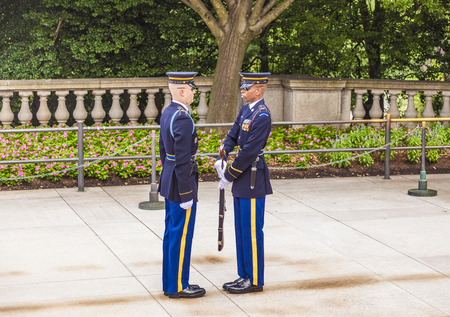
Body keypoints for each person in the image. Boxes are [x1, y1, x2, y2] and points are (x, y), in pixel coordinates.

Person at [215, 72, 273, 294]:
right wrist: (222, 153)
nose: (242, 90)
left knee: (251, 231)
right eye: (242, 86)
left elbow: (249, 152)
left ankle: (255, 279)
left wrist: (228, 175)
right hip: (242, 178)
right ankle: (244, 275)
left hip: (252, 178)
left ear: (258, 90)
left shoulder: (262, 116)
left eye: (246, 87)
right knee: (240, 230)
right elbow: (233, 134)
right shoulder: (246, 110)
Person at [158, 71, 205, 299]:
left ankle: (170, 283)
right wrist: (187, 193)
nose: (194, 92)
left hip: (170, 180)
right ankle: (178, 286)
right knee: (181, 235)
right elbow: (183, 158)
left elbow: (163, 152)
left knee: (171, 233)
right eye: (192, 89)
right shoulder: (183, 118)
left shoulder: (168, 113)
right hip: (181, 185)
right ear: (183, 91)